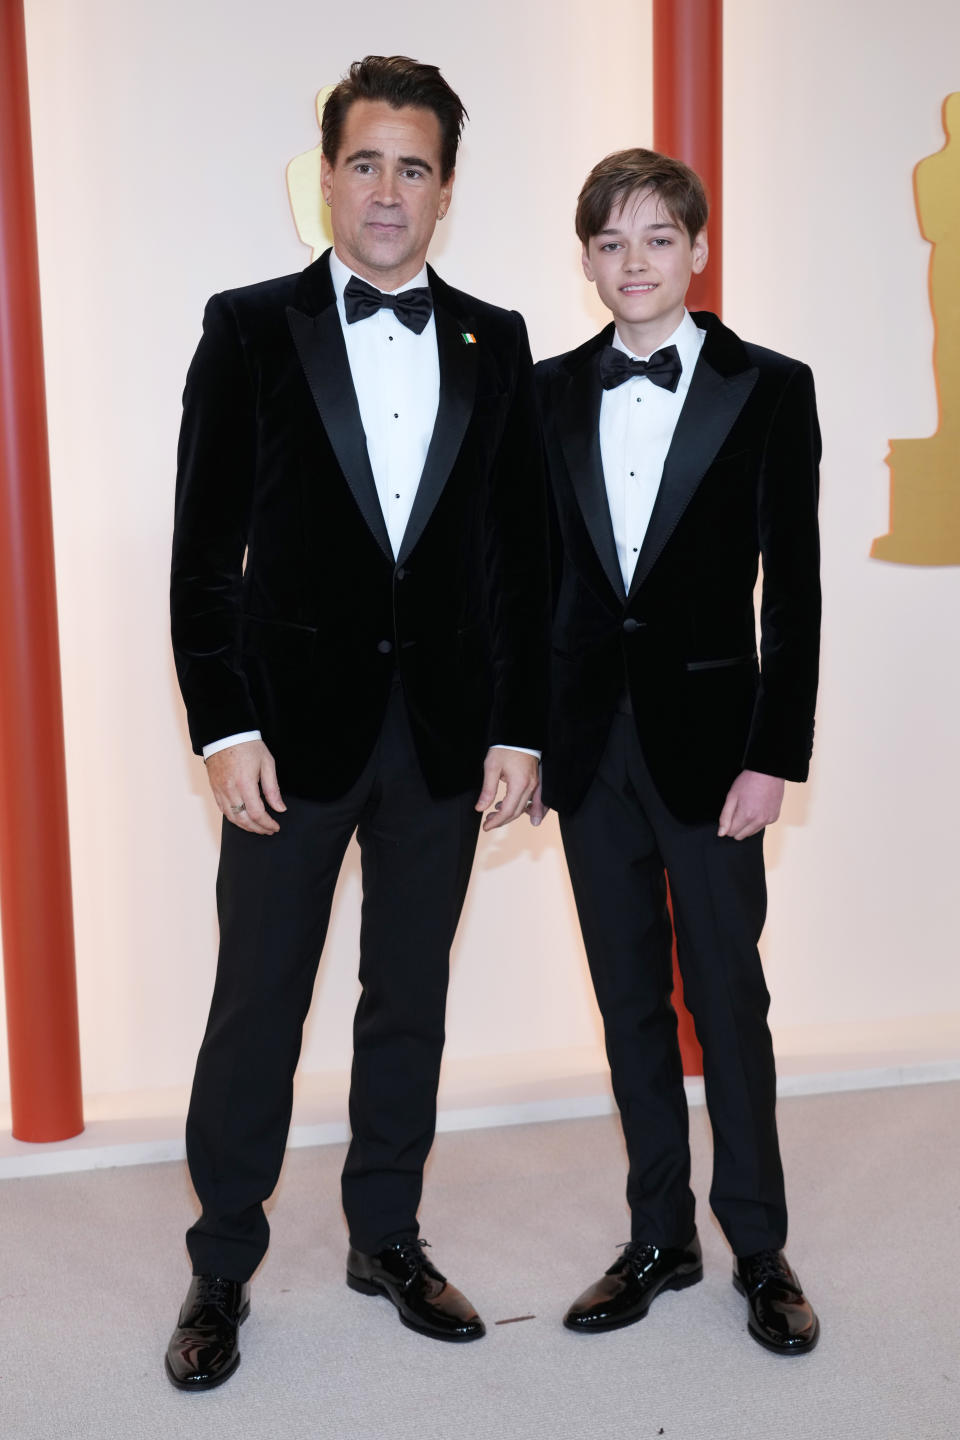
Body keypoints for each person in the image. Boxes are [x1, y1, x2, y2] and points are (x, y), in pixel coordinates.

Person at [166, 55, 548, 1390]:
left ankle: (386, 1234)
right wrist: (223, 728)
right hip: (286, 732)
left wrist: (522, 730)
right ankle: (220, 1263)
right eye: (367, 162)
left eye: (417, 166)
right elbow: (204, 553)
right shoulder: (248, 327)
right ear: (326, 175)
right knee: (257, 1002)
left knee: (410, 1001)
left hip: (442, 740)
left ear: (449, 190)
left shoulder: (496, 342)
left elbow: (518, 557)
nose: (390, 190)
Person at [533, 148, 821, 1354]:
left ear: (698, 250)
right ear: (588, 260)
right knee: (627, 1003)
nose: (633, 263)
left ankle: (760, 1246)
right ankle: (660, 1234)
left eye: (656, 238)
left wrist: (776, 753)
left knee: (729, 998)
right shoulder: (545, 394)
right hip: (590, 750)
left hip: (716, 751)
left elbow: (794, 590)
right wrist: (527, 737)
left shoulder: (770, 386)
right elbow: (533, 584)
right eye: (610, 243)